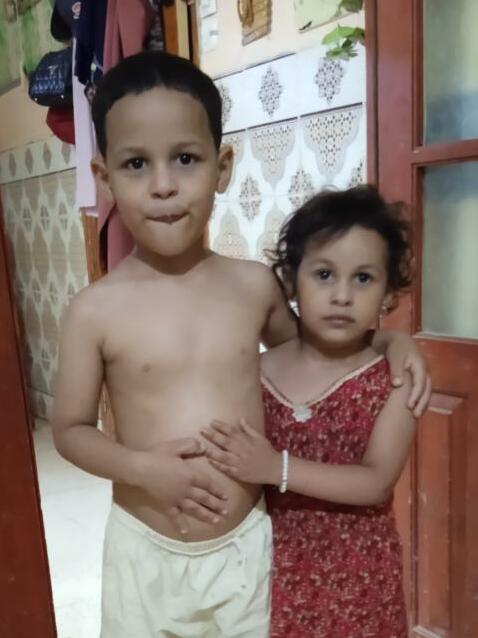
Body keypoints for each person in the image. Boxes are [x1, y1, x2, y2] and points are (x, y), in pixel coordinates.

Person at [51, 50, 428, 638]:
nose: (163, 186)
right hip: (145, 552)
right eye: (135, 164)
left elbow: (317, 350)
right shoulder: (93, 310)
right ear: (104, 179)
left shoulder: (252, 286)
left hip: (247, 550)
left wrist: (390, 342)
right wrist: (142, 468)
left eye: (185, 158)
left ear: (222, 166)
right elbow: (70, 430)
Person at [202, 185, 417, 637]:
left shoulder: (393, 380)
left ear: (388, 291)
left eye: (363, 278)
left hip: (361, 577)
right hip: (268, 569)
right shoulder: (255, 372)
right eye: (324, 274)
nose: (342, 295)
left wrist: (275, 467)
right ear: (290, 280)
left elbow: (376, 482)